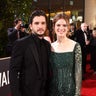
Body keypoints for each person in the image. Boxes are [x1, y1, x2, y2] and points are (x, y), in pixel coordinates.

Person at [9, 10, 51, 96]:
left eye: (43, 23)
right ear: (31, 26)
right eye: (37, 23)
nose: (40, 26)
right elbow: (13, 72)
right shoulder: (20, 44)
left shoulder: (47, 45)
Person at [48, 13, 82, 96]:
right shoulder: (49, 47)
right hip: (53, 91)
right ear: (54, 27)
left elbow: (78, 72)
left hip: (70, 91)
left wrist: (77, 93)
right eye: (58, 25)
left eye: (64, 25)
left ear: (68, 27)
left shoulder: (75, 46)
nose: (61, 28)